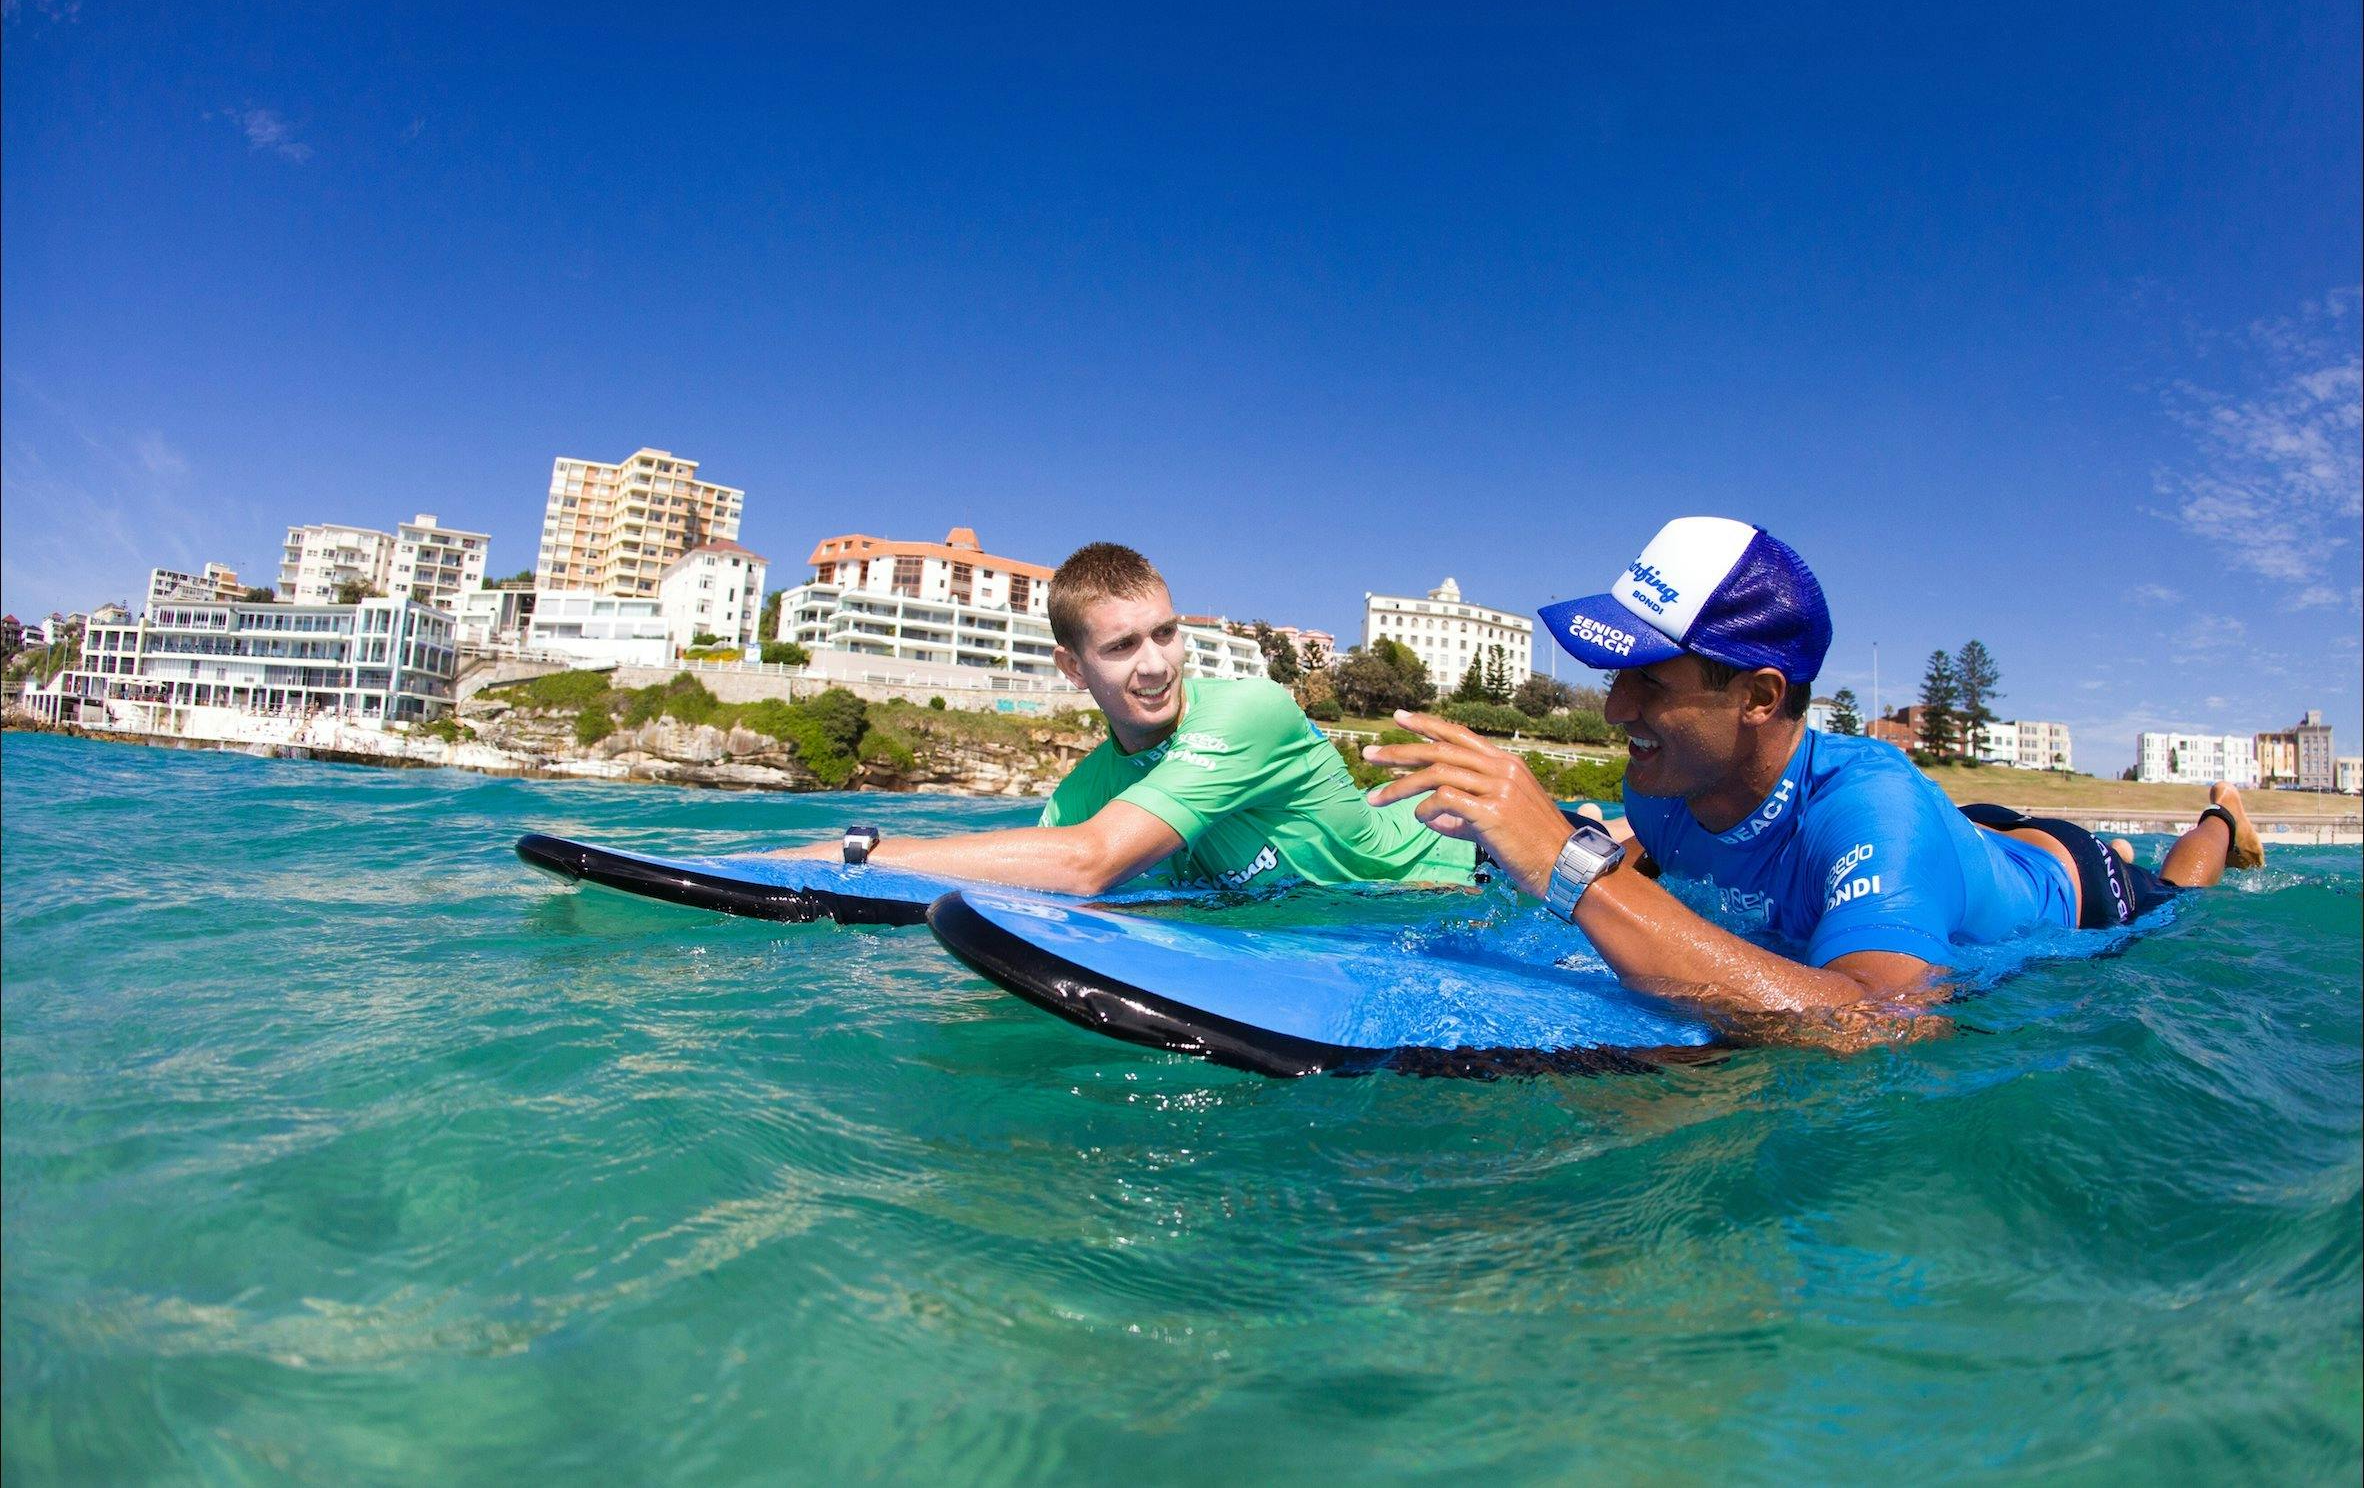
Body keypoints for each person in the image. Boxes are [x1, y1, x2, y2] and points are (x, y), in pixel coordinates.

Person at [1364, 516, 2263, 1024]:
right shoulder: (1667, 779)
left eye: (1650, 680)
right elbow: (1658, 871)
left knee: (2185, 888)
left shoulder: (1874, 813)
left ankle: (2223, 814)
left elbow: (1876, 1024)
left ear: (1758, 696)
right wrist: (1539, 850)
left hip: (2078, 885)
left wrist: (1569, 868)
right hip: (1939, 845)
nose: (1615, 710)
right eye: (1614, 676)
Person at [770, 543, 1475, 894]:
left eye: (1164, 634)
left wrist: (852, 852)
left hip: (1454, 886)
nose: (1155, 665)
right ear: (1073, 668)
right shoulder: (1081, 796)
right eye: (1121, 647)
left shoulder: (1250, 712)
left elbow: (1088, 864)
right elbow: (1028, 886)